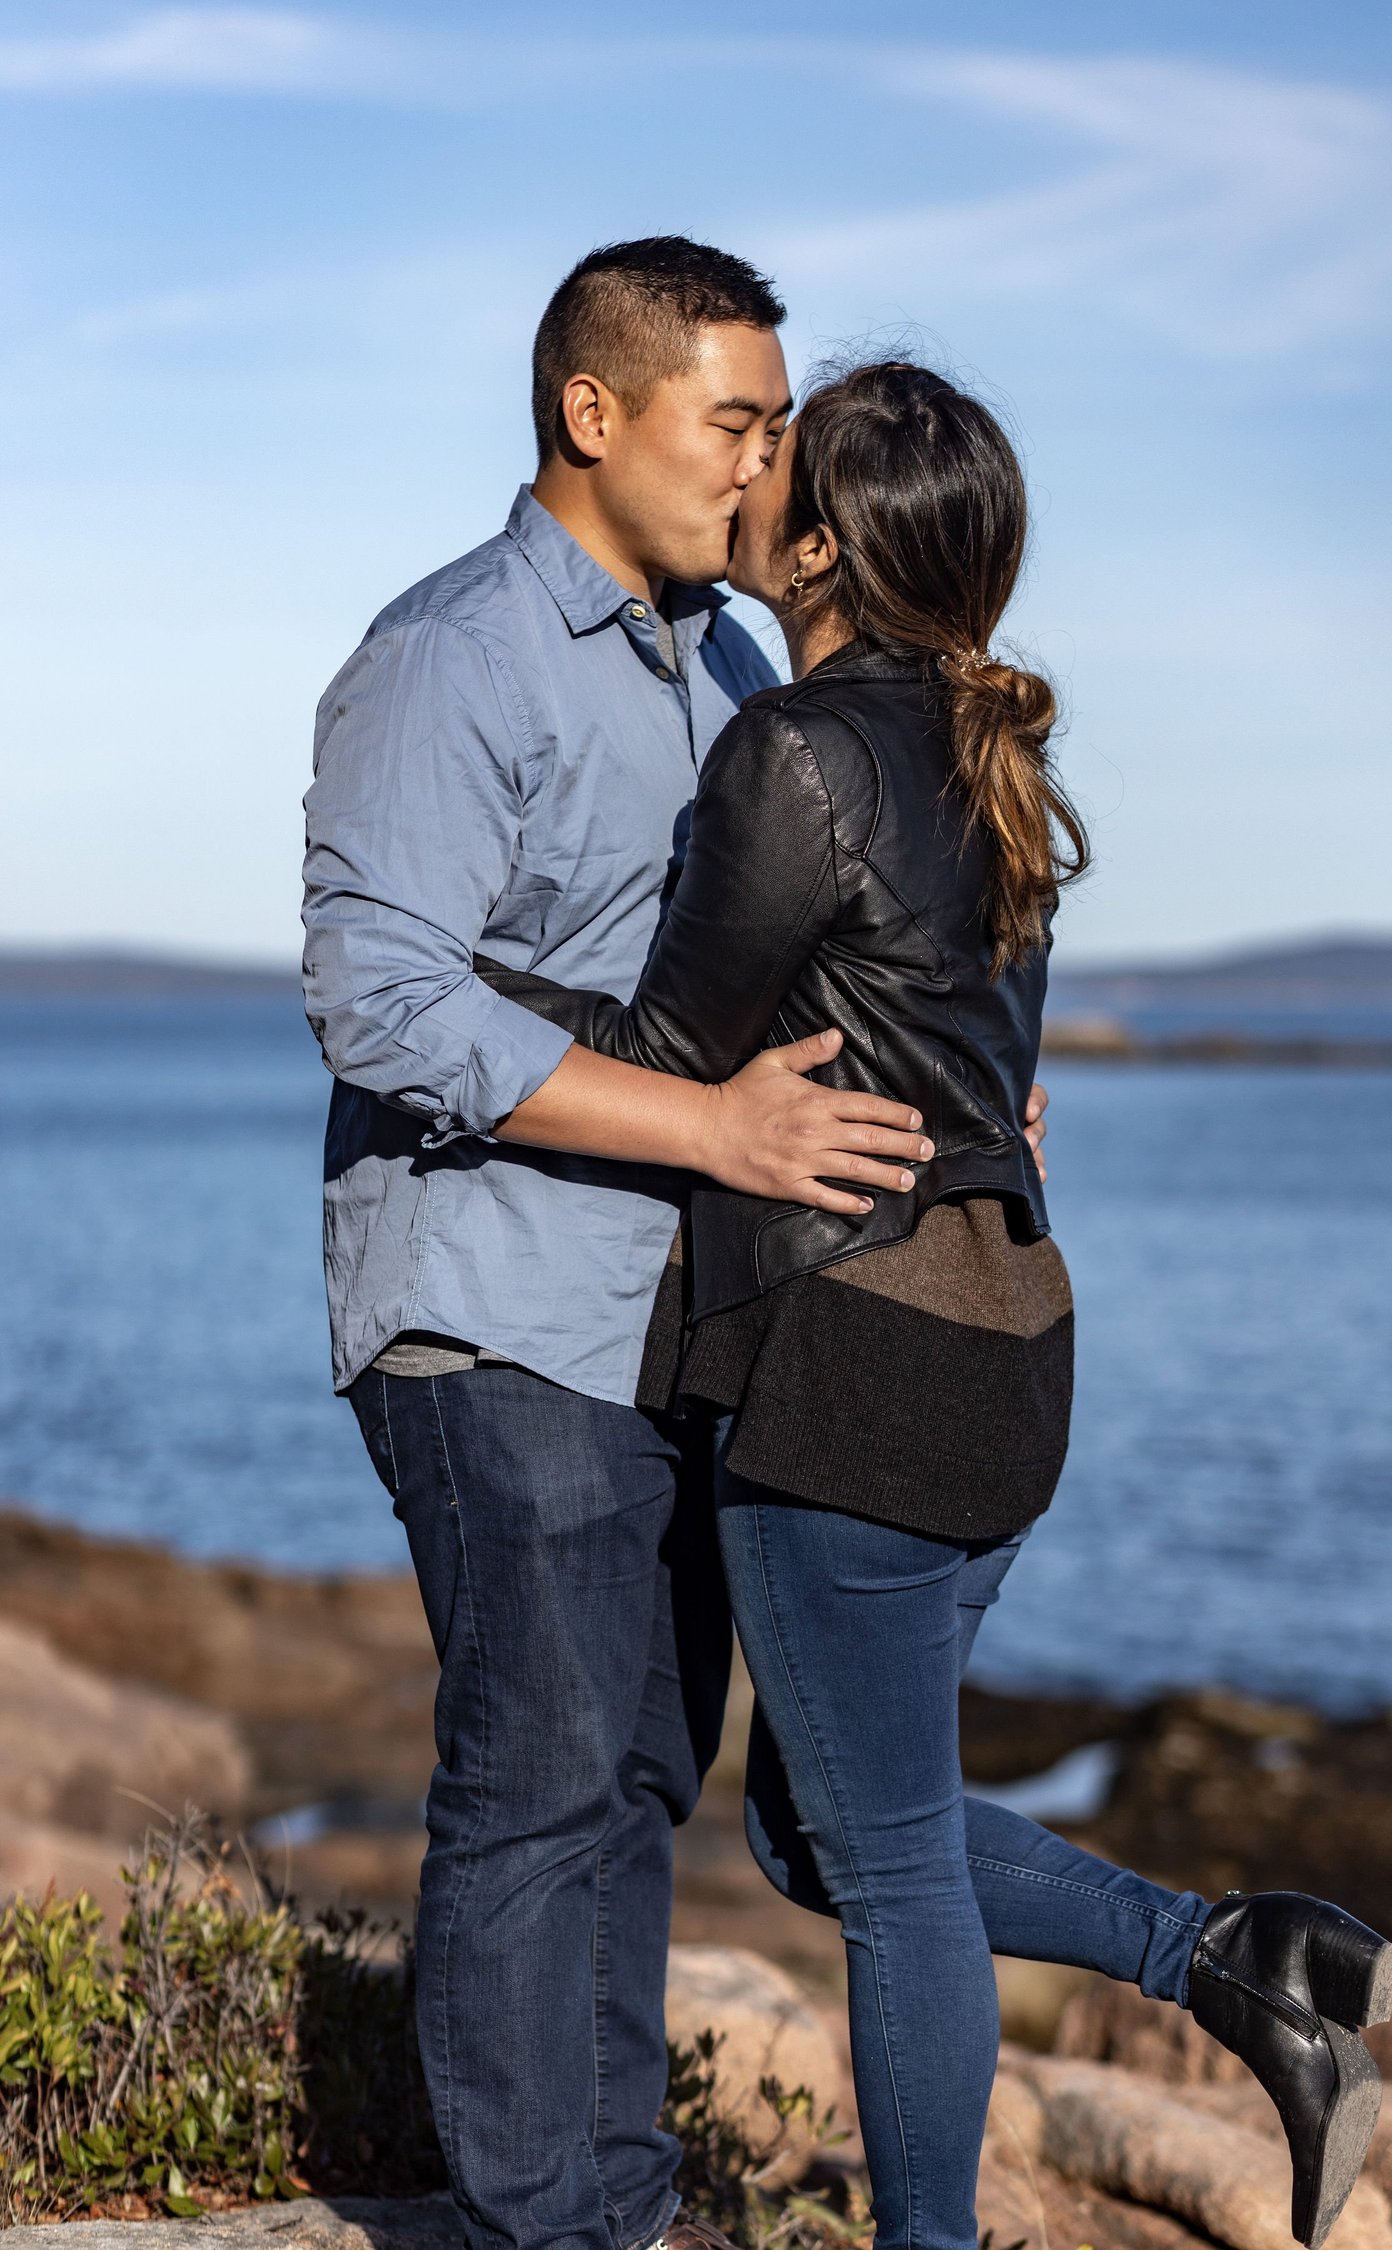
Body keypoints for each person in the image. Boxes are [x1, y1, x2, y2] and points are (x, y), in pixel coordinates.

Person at [471, 359, 1392, 2250]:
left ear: (817, 543)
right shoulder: (998, 764)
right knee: (821, 1832)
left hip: (854, 1362)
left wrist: (468, 986)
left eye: (773, 461)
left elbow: (671, 1054)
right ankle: (1239, 1959)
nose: (738, 470)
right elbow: (979, 1074)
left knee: (882, 1868)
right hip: (1008, 1352)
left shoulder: (796, 751)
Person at [302, 239, 1050, 2250]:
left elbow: (829, 957)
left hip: (687, 1333)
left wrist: (957, 1097)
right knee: (545, 1786)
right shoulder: (453, 654)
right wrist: (710, 1122)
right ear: (594, 413)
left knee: (638, 1782)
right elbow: (381, 1003)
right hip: (497, 1301)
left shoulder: (726, 666)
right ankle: (556, 2222)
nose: (758, 470)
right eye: (736, 422)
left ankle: (611, 2203)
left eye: (771, 434)